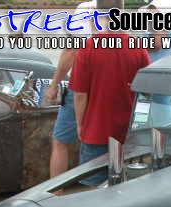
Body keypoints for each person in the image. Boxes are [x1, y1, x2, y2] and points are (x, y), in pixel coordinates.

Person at [71, 0, 151, 186]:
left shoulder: (88, 48)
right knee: (125, 187)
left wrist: (80, 125)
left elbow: (80, 95)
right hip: (127, 133)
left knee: (92, 189)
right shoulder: (138, 47)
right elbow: (147, 93)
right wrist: (140, 124)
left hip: (95, 132)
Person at [47, 0, 96, 179]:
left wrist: (54, 85)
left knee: (60, 141)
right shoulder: (117, 9)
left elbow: (71, 52)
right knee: (102, 141)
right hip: (109, 84)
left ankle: (55, 192)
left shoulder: (85, 9)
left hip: (81, 86)